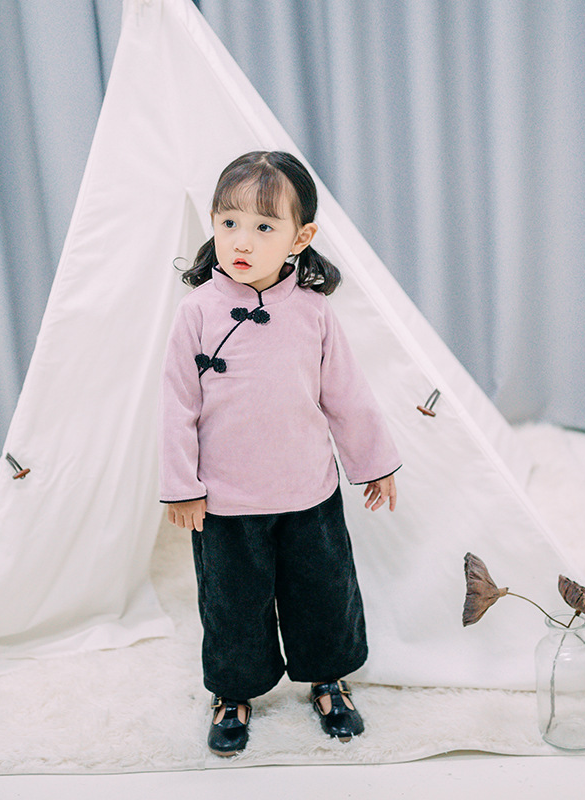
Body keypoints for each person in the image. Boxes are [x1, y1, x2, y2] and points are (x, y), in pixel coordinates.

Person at [158, 151, 401, 757]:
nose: (242, 241)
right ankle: (233, 693)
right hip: (225, 501)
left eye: (264, 226)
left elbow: (346, 395)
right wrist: (182, 485)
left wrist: (373, 464)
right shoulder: (195, 311)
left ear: (300, 238)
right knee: (232, 605)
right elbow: (176, 406)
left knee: (323, 594)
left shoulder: (314, 311)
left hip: (307, 491)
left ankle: (328, 679)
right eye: (229, 222)